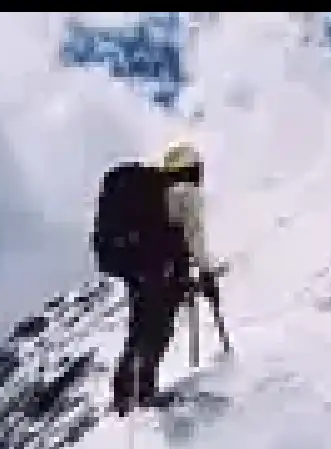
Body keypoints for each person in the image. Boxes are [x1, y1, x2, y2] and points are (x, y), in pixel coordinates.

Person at [92, 140, 231, 417]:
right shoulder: (185, 194)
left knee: (142, 325)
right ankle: (140, 394)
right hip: (153, 265)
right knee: (156, 327)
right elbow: (194, 237)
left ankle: (127, 393)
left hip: (133, 262)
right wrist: (206, 275)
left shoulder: (152, 193)